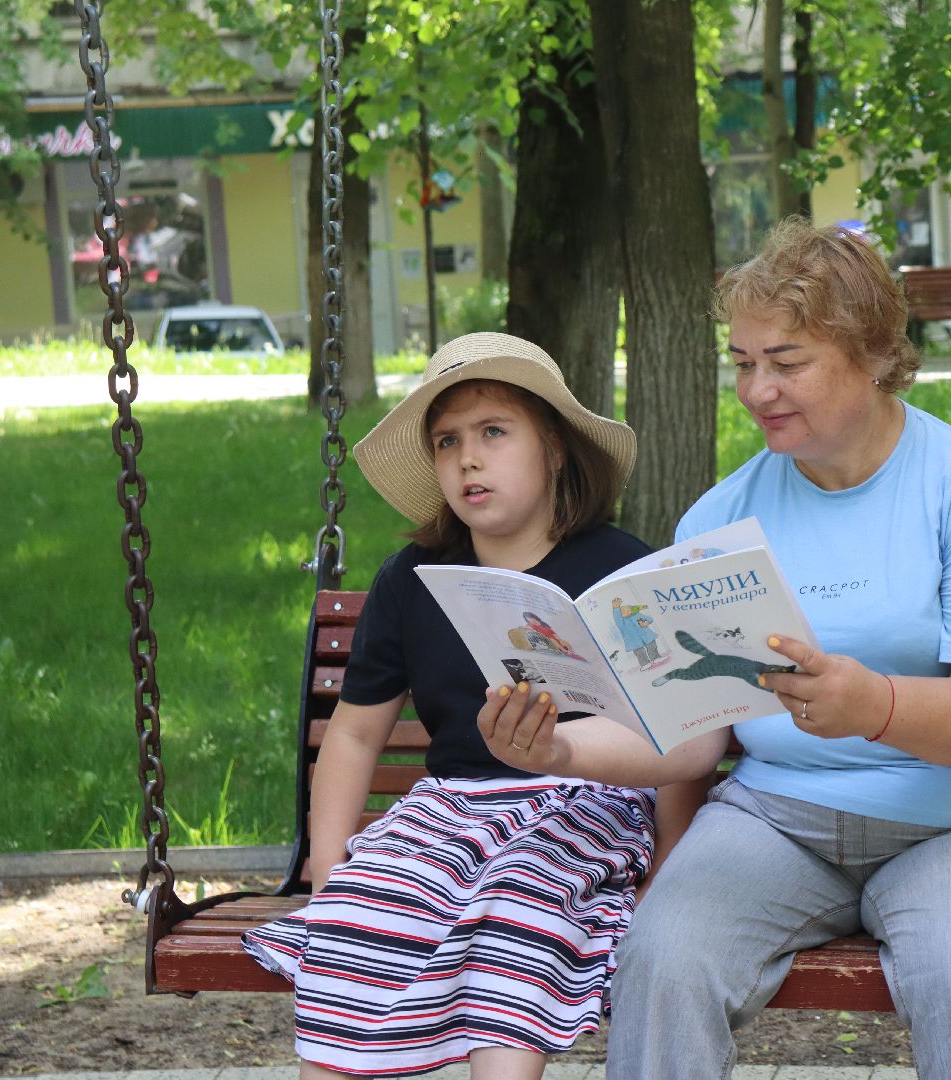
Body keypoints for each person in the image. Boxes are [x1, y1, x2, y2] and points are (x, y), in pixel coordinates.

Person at [478, 218, 951, 1078]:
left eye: (787, 361)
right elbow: (691, 739)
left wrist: (874, 706)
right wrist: (558, 744)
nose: (758, 389)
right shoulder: (718, 520)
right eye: (743, 361)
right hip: (778, 820)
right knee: (663, 955)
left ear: (872, 355)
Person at [242, 332, 657, 1080]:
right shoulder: (415, 578)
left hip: (586, 806)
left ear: (554, 447)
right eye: (447, 441)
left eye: (494, 432)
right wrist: (328, 869)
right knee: (354, 917)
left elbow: (674, 737)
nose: (469, 457)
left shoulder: (618, 568)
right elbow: (357, 734)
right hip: (449, 811)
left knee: (518, 910)